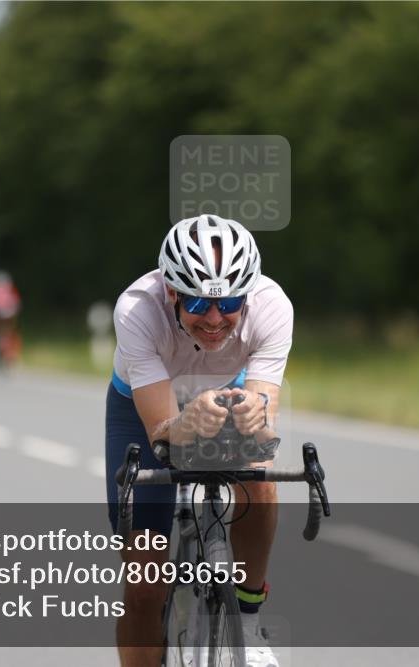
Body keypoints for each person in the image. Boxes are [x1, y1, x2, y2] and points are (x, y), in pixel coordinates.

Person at [106, 215, 293, 667]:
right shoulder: (137, 309)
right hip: (145, 406)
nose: (214, 319)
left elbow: (265, 424)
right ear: (170, 291)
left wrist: (256, 419)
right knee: (145, 581)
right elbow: (162, 433)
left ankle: (248, 621)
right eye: (197, 303)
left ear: (247, 293)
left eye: (228, 302)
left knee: (259, 475)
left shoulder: (272, 307)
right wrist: (186, 421)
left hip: (228, 388)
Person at [0, 270, 22, 367]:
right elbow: (17, 304)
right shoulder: (11, 289)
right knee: (9, 334)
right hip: (10, 315)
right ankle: (10, 355)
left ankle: (0, 353)